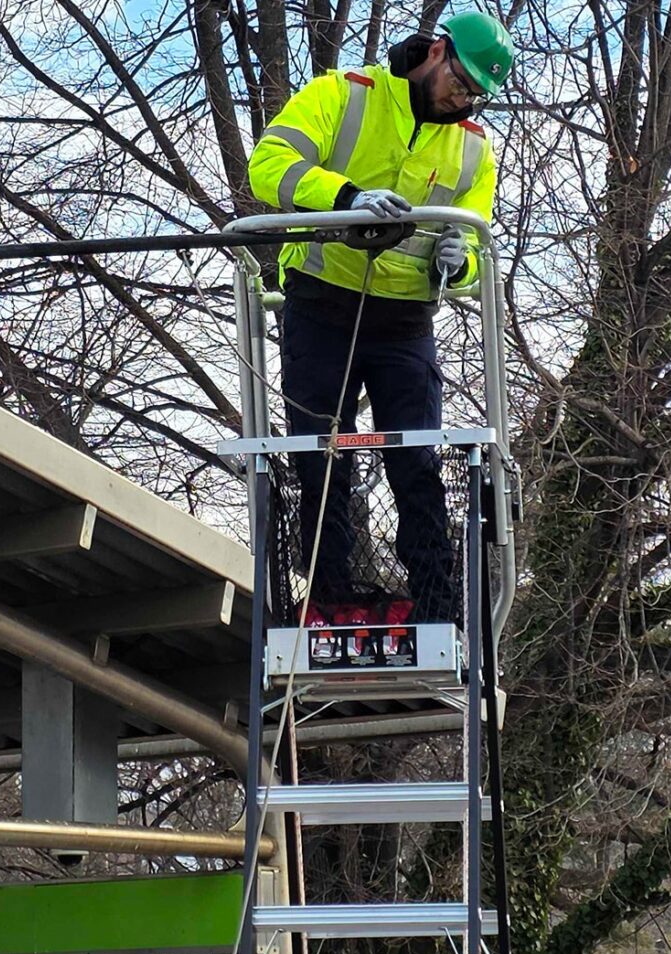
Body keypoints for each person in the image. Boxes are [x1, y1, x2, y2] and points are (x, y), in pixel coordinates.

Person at [247, 11, 516, 626]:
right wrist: (345, 198)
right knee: (321, 455)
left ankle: (435, 604)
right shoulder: (343, 94)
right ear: (436, 51)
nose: (464, 96)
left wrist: (463, 263)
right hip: (321, 304)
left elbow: (476, 246)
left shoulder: (474, 148)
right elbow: (267, 165)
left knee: (419, 460)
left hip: (405, 323)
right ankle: (331, 597)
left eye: (477, 92)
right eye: (462, 80)